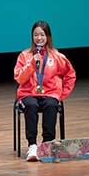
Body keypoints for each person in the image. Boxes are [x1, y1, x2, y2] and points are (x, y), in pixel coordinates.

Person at [14, 20, 76, 161]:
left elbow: (70, 74)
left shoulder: (57, 56)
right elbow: (19, 78)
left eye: (42, 35)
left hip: (49, 93)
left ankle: (47, 144)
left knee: (51, 104)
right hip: (28, 93)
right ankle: (32, 146)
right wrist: (31, 64)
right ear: (32, 37)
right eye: (36, 35)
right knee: (31, 105)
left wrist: (61, 95)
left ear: (48, 37)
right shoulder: (24, 56)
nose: (39, 38)